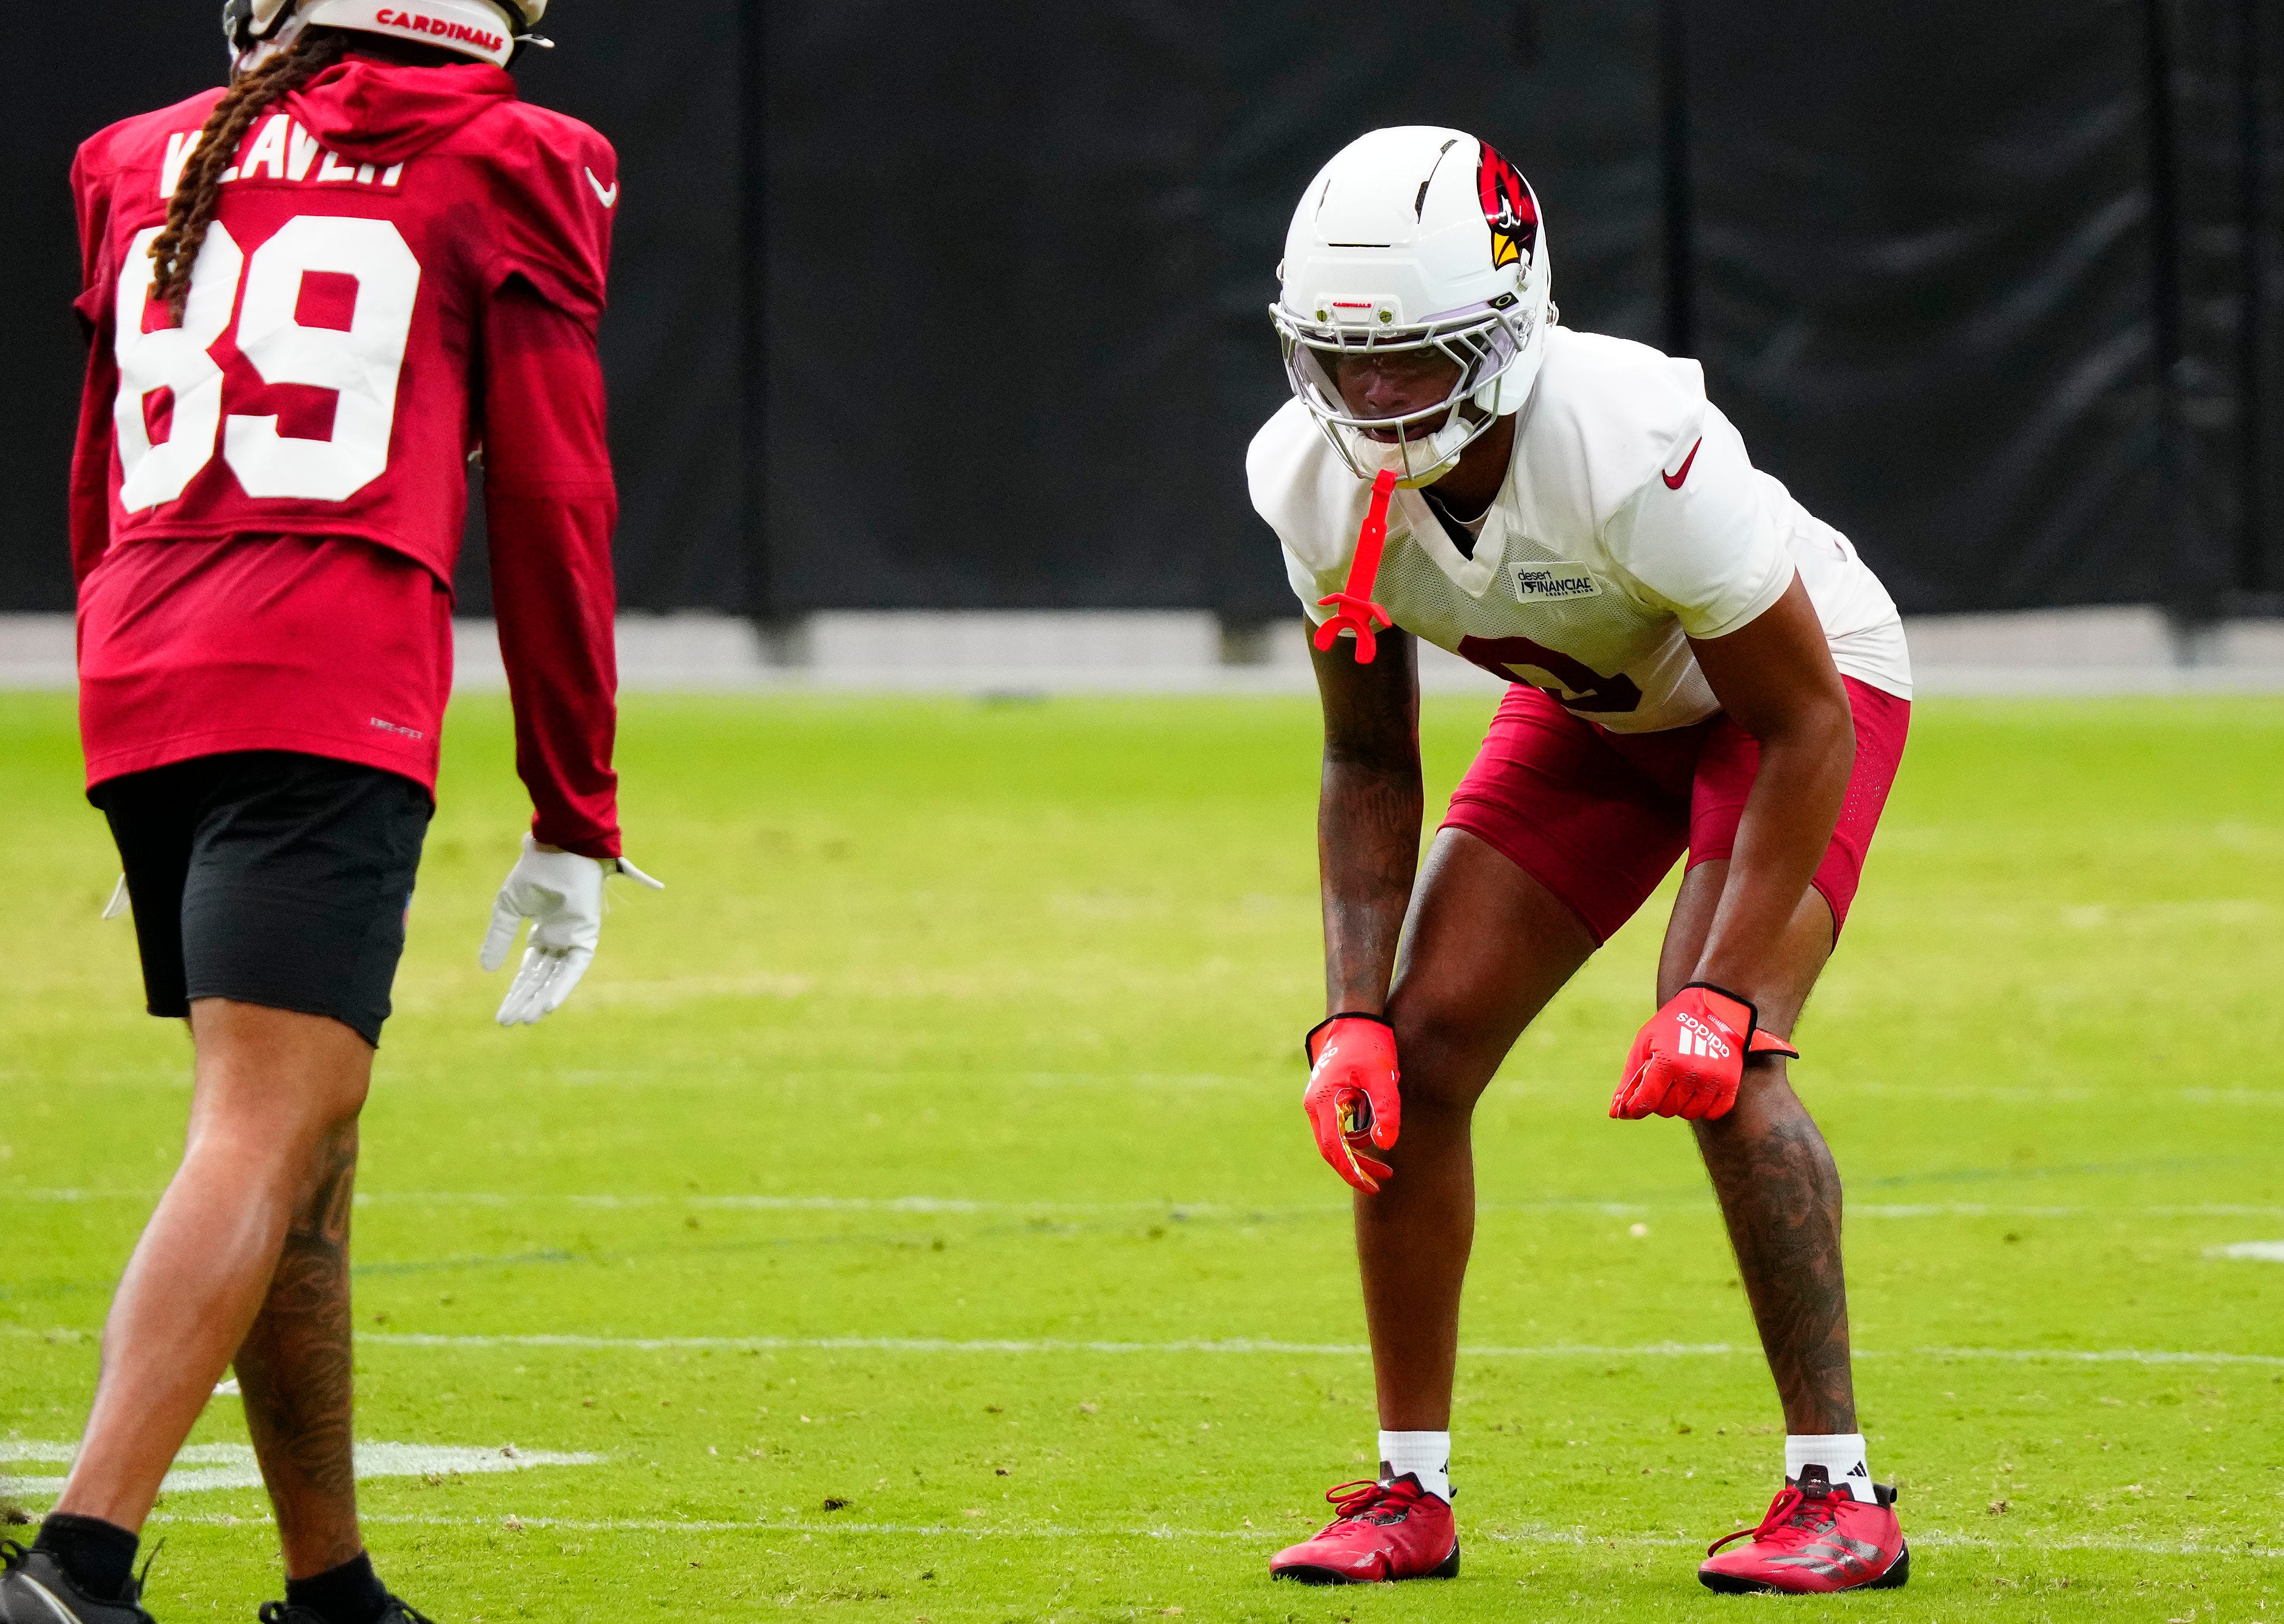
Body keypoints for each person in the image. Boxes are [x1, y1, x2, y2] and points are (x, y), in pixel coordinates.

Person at [2, 4, 659, 1620]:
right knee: (261, 1119)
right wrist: (573, 801)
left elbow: (95, 473)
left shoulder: (137, 155)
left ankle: (331, 1584)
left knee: (304, 1139)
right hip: (323, 677)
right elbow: (556, 496)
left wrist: (141, 708)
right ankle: (81, 1558)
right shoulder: (510, 158)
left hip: (146, 666)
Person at [1250, 127, 1914, 1595]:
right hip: (1601, 709)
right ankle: (1408, 1493)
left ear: (1505, 332)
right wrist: (1348, 1009)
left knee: (1723, 1059)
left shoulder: (1628, 436)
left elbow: (1803, 718)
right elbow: (1366, 755)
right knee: (1408, 1063)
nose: (1373, 397)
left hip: (1797, 694)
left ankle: (1839, 1491)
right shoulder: (1306, 481)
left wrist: (1724, 989)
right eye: (1347, 360)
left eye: (1416, 359)